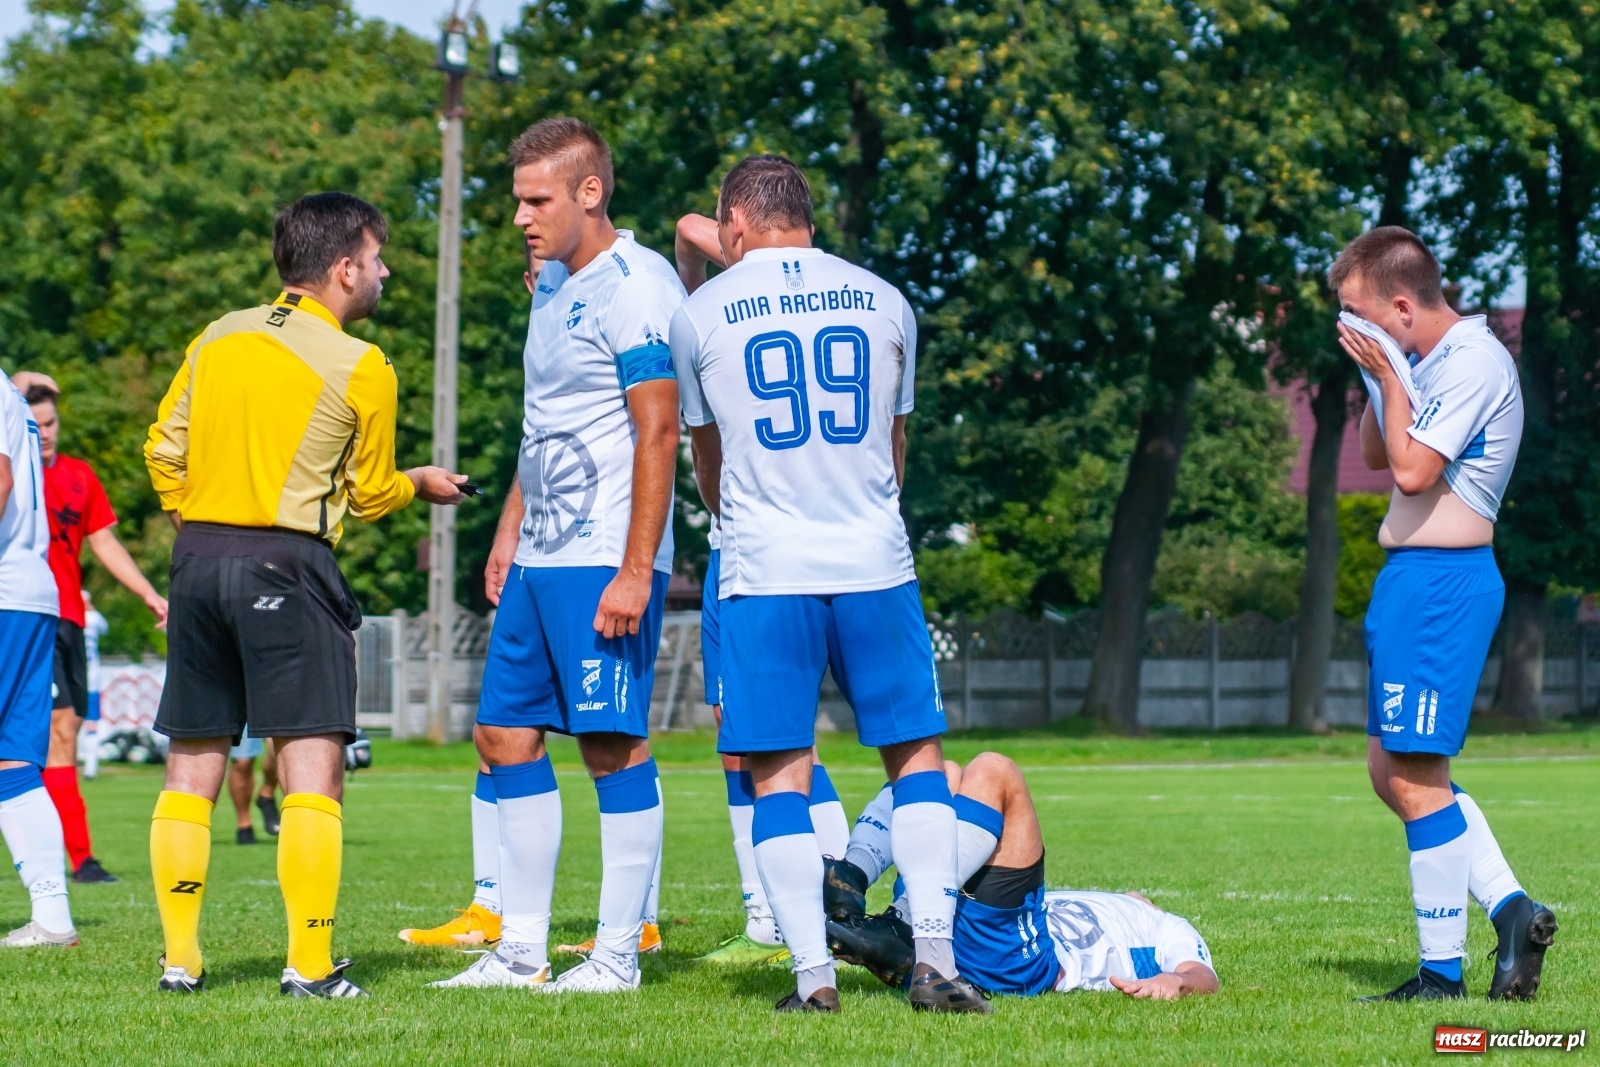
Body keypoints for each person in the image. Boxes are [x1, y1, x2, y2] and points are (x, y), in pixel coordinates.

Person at [668, 155, 983, 1014]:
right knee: (917, 757)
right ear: (806, 217)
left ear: (735, 225)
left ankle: (812, 979)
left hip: (768, 569)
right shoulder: (886, 298)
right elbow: (896, 443)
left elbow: (707, 461)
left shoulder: (699, 313)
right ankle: (935, 960)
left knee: (780, 772)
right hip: (876, 557)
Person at [142, 191, 470, 997]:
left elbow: (162, 449)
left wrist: (206, 518)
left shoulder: (217, 334)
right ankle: (310, 965)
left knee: (192, 764)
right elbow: (367, 493)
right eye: (378, 256)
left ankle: (181, 961)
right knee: (312, 767)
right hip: (288, 564)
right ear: (344, 267)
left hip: (198, 558)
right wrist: (419, 483)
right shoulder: (363, 365)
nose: (385, 270)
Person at [432, 118, 681, 994]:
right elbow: (547, 426)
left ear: (590, 192)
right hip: (540, 558)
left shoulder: (637, 286)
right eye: (516, 200)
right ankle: (521, 950)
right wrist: (508, 530)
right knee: (502, 735)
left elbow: (659, 431)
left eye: (536, 201)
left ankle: (618, 954)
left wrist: (637, 568)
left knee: (610, 743)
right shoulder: (549, 286)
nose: (520, 218)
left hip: (601, 558)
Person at [1331, 226, 1555, 1002]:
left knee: (1420, 776)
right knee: (1389, 769)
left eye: (1357, 313)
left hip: (1444, 585)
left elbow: (1413, 469)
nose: (1350, 328)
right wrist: (1384, 375)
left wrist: (1393, 370)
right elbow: (1371, 450)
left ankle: (1440, 975)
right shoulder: (1424, 360)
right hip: (1411, 580)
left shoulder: (1472, 360)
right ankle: (1512, 908)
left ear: (1400, 306)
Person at [672, 248, 849, 968]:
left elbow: (691, 230)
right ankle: (777, 910)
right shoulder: (724, 313)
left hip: (764, 551)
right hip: (739, 550)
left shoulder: (786, 305)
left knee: (772, 736)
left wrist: (763, 255)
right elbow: (692, 239)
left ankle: (811, 905)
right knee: (739, 732)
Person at [823, 753, 1219, 1001]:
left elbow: (1203, 976)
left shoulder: (1169, 927)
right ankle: (852, 879)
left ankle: (896, 920)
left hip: (1016, 961)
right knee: (937, 772)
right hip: (958, 928)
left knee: (996, 771)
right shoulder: (1104, 903)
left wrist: (1176, 981)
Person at [15, 377, 169, 883]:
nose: (45, 434)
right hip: (23, 615)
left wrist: (148, 593)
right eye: (34, 425)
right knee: (53, 734)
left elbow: (104, 545)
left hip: (67, 623)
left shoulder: (79, 477)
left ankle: (68, 857)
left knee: (67, 733)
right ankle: (78, 859)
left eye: (51, 424)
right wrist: (20, 386)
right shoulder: (12, 473)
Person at [0, 368, 77, 947]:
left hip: (5, 593)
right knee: (13, 764)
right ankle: (53, 915)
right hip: (30, 591)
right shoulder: (10, 392)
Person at [78, 590, 108, 779]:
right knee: (91, 724)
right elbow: (105, 628)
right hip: (92, 679)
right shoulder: (94, 618)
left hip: (73, 677)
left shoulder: (71, 619)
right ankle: (91, 768)